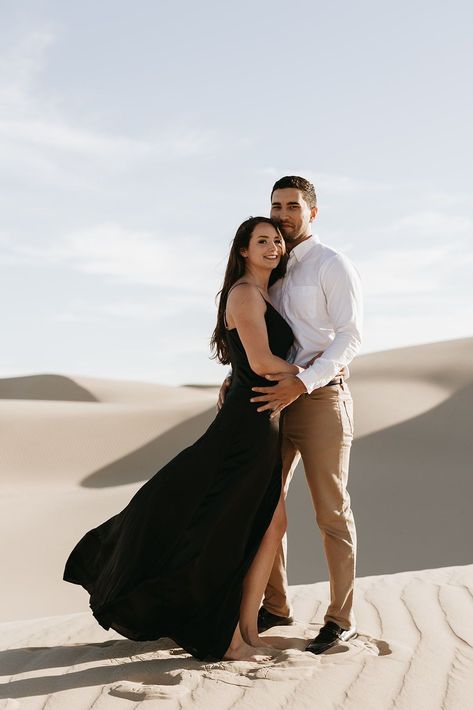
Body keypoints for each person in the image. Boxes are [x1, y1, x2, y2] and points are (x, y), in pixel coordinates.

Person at [63, 216, 302, 662]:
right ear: (243, 251)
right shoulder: (245, 293)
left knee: (273, 525)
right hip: (245, 428)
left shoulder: (265, 294)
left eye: (277, 241)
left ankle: (248, 630)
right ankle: (226, 637)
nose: (273, 247)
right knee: (230, 527)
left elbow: (247, 365)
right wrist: (319, 373)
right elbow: (263, 361)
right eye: (263, 241)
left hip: (265, 422)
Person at [218, 176, 363, 654]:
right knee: (266, 505)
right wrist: (236, 374)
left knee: (330, 511)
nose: (283, 214)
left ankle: (341, 617)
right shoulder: (270, 270)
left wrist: (306, 379)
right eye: (277, 206)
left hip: (319, 398)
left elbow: (350, 336)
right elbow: (256, 335)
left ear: (313, 212)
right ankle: (277, 605)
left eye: (293, 206)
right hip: (270, 401)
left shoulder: (331, 264)